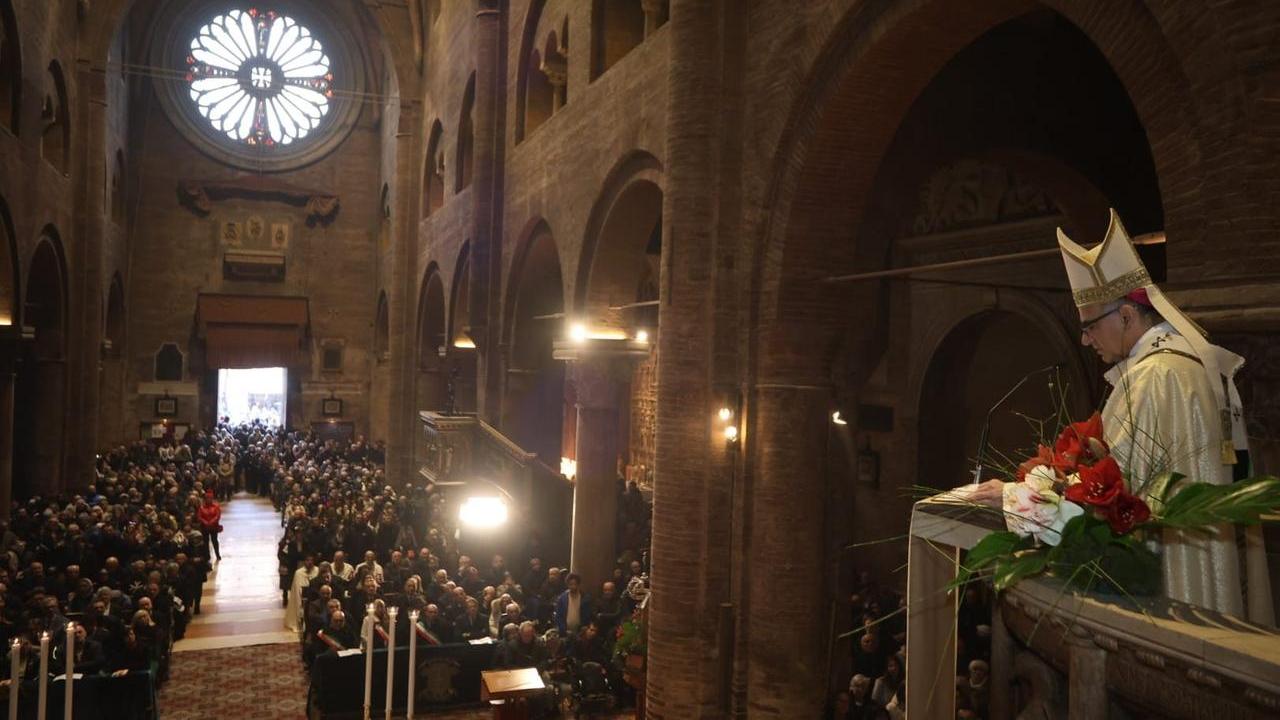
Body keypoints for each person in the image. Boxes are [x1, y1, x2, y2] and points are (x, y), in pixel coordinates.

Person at [969, 209, 1272, 621]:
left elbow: (1108, 493)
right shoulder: (1188, 366)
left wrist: (1012, 497)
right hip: (1207, 570)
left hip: (1161, 589)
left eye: (1090, 326)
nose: (1084, 339)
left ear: (1127, 315)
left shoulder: (1150, 380)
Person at [197, 492, 222, 561]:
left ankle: (217, 554)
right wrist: (205, 522)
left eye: (210, 498)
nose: (209, 500)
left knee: (215, 541)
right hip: (204, 527)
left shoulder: (216, 506)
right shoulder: (201, 507)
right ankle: (207, 555)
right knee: (206, 542)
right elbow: (199, 516)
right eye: (207, 498)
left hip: (213, 527)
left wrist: (211, 522)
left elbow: (217, 515)